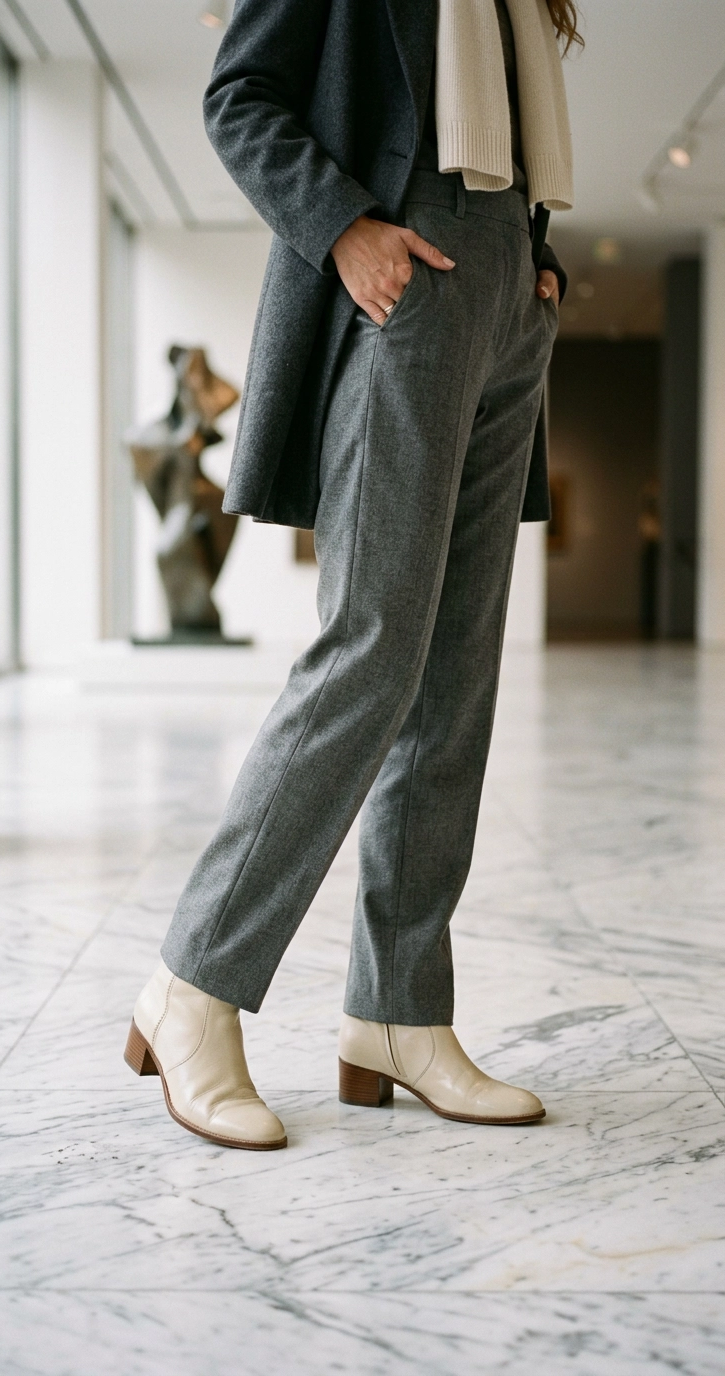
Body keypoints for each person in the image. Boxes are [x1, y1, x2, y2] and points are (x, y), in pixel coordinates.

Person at [125, 0, 581, 1150]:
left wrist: (538, 264)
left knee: (456, 673)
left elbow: (514, 125)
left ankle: (400, 1011)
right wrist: (344, 227)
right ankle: (194, 985)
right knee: (372, 648)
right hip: (405, 267)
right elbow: (240, 96)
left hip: (507, 284)